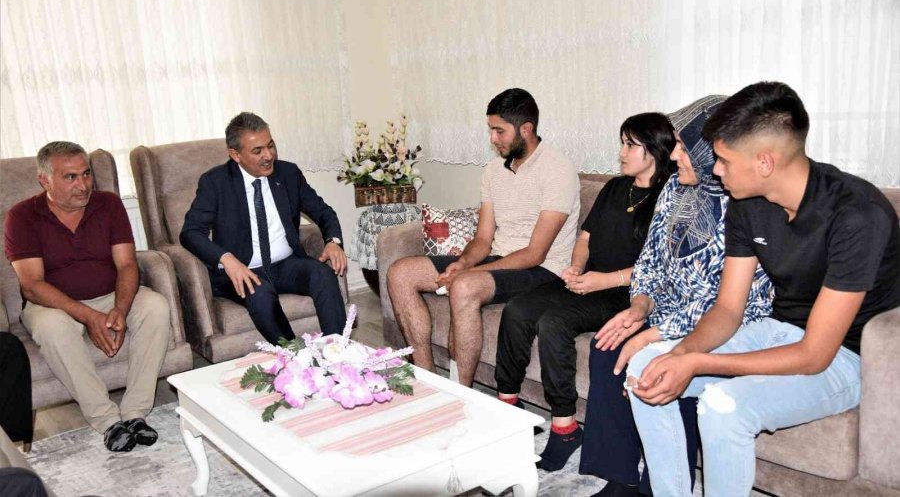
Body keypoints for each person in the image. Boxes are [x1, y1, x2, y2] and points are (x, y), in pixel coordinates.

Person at [625, 82, 900, 497]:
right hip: (777, 328)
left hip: (847, 358)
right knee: (645, 367)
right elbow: (728, 310)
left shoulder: (857, 215)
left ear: (765, 162)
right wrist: (679, 355)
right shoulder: (746, 202)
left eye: (724, 160)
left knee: (723, 407)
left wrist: (695, 362)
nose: (716, 170)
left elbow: (814, 354)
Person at [581, 96, 773, 497]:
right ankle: (620, 477)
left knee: (661, 366)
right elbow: (649, 259)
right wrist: (639, 307)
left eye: (683, 147)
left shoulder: (744, 204)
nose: (672, 155)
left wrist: (650, 336)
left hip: (723, 325)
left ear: (711, 151)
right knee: (605, 348)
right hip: (665, 309)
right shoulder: (674, 188)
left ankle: (659, 485)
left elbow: (724, 303)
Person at [493, 112, 676, 472]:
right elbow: (585, 238)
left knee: (554, 322)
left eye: (630, 145)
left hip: (626, 294)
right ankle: (507, 404)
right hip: (589, 281)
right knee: (518, 309)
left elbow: (661, 266)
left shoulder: (669, 198)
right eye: (622, 143)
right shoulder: (614, 188)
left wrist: (601, 281)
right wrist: (577, 268)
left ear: (654, 149)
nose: (622, 152)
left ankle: (565, 428)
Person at [387, 88, 580, 387]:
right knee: (401, 273)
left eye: (499, 131)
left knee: (464, 285)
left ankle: (462, 393)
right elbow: (483, 238)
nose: (493, 138)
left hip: (543, 270)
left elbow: (535, 253)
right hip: (500, 258)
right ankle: (427, 380)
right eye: (491, 130)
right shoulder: (493, 171)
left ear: (526, 129)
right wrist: (464, 262)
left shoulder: (558, 170)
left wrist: (468, 274)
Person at [4, 142, 171, 453]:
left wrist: (120, 308)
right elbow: (32, 285)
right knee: (53, 328)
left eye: (86, 174)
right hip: (51, 305)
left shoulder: (108, 204)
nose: (83, 185)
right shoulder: (22, 216)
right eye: (70, 177)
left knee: (156, 306)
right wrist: (89, 316)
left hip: (110, 295)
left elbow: (127, 264)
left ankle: (135, 413)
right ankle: (107, 421)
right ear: (45, 180)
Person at [181, 112, 348, 345]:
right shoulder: (215, 182)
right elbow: (190, 232)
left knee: (322, 274)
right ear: (235, 154)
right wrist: (227, 259)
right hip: (244, 269)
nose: (268, 155)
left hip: (286, 264)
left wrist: (333, 241)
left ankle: (338, 350)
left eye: (270, 146)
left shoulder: (288, 174)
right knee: (259, 294)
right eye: (257, 151)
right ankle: (294, 354)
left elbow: (323, 212)